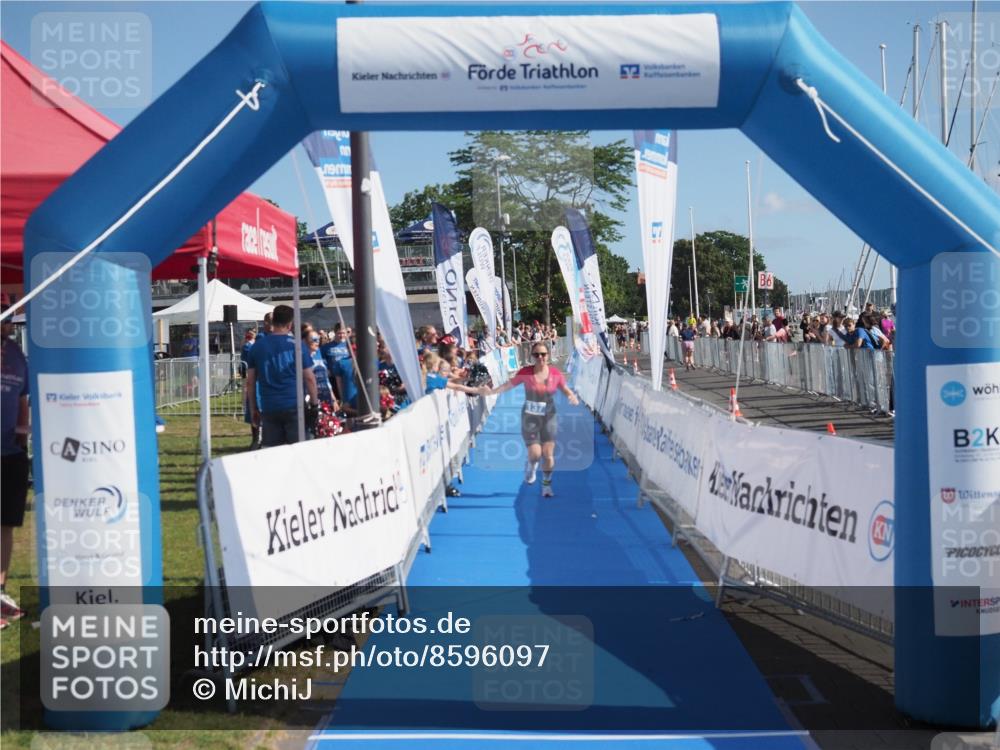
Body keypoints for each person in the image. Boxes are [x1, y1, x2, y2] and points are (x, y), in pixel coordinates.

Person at [481, 342, 578, 498]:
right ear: (532, 356)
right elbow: (508, 385)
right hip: (530, 418)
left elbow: (564, 388)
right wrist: (492, 392)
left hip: (549, 417)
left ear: (548, 355)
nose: (540, 357)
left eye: (543, 354)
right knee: (535, 454)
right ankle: (532, 467)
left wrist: (570, 396)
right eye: (536, 354)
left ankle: (546, 485)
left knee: (548, 454)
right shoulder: (526, 372)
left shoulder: (555, 373)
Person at [245, 305, 318, 447]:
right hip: (294, 405)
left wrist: (253, 408)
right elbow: (309, 378)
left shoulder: (257, 346)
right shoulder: (297, 345)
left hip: (269, 406)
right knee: (299, 451)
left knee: (273, 454)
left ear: (273, 322)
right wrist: (315, 404)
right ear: (290, 324)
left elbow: (250, 382)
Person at [1, 297, 28, 628]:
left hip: (10, 453)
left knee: (5, 525)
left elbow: (22, 400)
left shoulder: (16, 354)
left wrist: (22, 439)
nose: (8, 321)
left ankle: (1, 590)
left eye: (9, 313)